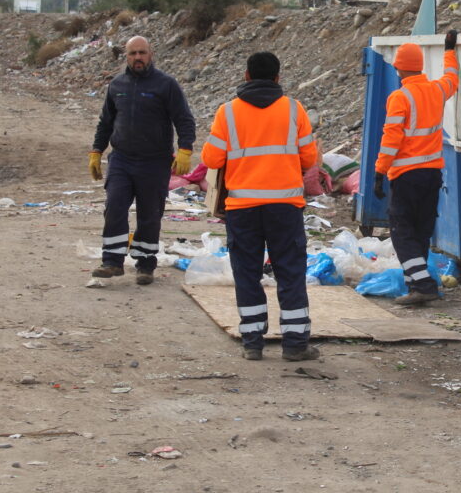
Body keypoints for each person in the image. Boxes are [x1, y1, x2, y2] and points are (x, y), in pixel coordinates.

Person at [201, 52, 319, 361]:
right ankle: (295, 344)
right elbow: (309, 159)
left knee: (247, 272)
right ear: (278, 78)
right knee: (290, 272)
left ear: (246, 75)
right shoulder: (295, 110)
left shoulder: (227, 113)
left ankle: (252, 342)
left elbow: (211, 160)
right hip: (285, 207)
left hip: (243, 208)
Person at [89, 35, 195, 285]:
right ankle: (111, 262)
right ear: (126, 56)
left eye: (142, 53)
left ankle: (146, 265)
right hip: (122, 160)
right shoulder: (117, 84)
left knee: (150, 215)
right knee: (114, 207)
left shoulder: (166, 85)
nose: (137, 57)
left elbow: (184, 119)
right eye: (132, 53)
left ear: (151, 54)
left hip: (155, 162)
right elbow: (106, 122)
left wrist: (185, 149)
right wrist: (96, 151)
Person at [373, 30, 459, 306]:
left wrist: (379, 171)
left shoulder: (400, 97)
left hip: (406, 176)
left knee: (401, 230)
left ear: (398, 68)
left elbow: (391, 139)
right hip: (432, 174)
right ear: (419, 66)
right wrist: (449, 50)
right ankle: (415, 285)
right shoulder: (436, 90)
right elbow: (452, 79)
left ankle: (423, 285)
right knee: (421, 231)